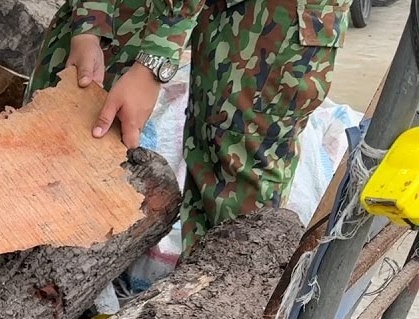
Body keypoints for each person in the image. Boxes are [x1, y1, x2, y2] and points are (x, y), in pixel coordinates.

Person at [27, 0, 349, 251]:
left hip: (271, 13)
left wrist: (155, 58)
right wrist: (89, 23)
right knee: (65, 111)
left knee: (232, 203)